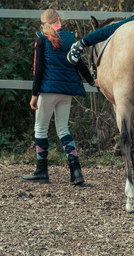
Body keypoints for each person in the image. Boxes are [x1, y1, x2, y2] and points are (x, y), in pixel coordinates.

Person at [21, 9, 98, 185]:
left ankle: (41, 171)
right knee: (63, 129)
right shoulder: (70, 40)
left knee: (40, 128)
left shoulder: (41, 40)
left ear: (43, 23)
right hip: (66, 92)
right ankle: (76, 172)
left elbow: (38, 69)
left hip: (48, 91)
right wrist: (92, 81)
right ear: (59, 20)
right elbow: (79, 63)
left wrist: (34, 95)